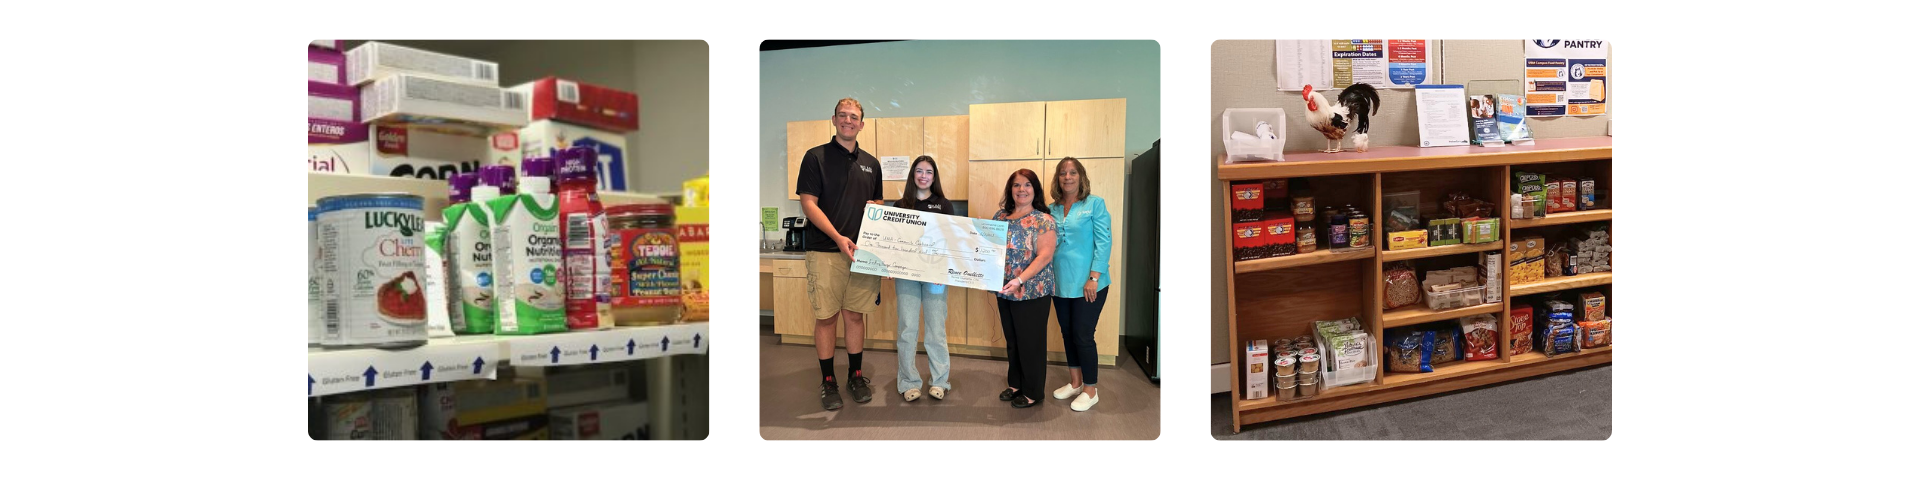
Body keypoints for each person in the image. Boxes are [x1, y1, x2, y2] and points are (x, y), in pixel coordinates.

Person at [795, 98, 884, 411]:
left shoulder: (872, 164)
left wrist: (879, 214)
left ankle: (856, 375)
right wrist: (838, 237)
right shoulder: (815, 157)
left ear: (862, 124)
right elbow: (808, 203)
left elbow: (877, 207)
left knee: (855, 316)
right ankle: (828, 381)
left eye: (854, 117)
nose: (848, 120)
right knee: (826, 318)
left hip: (862, 255)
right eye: (843, 115)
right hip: (826, 251)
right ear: (834, 119)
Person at [1047, 157, 1112, 412]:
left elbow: (1104, 242)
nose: (1067, 177)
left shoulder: (1094, 204)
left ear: (1081, 176)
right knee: (1067, 333)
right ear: (1058, 178)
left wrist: (1094, 277)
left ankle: (1090, 389)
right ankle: (1075, 382)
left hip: (1089, 284)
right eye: (1063, 173)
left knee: (1083, 335)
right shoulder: (1051, 208)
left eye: (1073, 172)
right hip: (1060, 282)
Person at [892, 156, 956, 402]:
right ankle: (908, 382)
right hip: (906, 275)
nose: (923, 176)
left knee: (936, 330)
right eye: (919, 171)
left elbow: (952, 241)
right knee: (907, 328)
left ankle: (940, 381)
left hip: (935, 276)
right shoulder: (900, 205)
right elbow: (892, 242)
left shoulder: (944, 205)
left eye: (928, 172)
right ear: (912, 175)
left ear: (934, 176)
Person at [992, 169, 1057, 409]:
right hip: (1004, 289)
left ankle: (1033, 391)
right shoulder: (1000, 216)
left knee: (1031, 342)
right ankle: (1016, 383)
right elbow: (988, 249)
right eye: (1017, 185)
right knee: (1013, 340)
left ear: (1035, 189)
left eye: (1027, 185)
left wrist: (1019, 280)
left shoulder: (1043, 219)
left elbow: (1045, 256)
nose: (1022, 190)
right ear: (1011, 189)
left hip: (1032, 290)